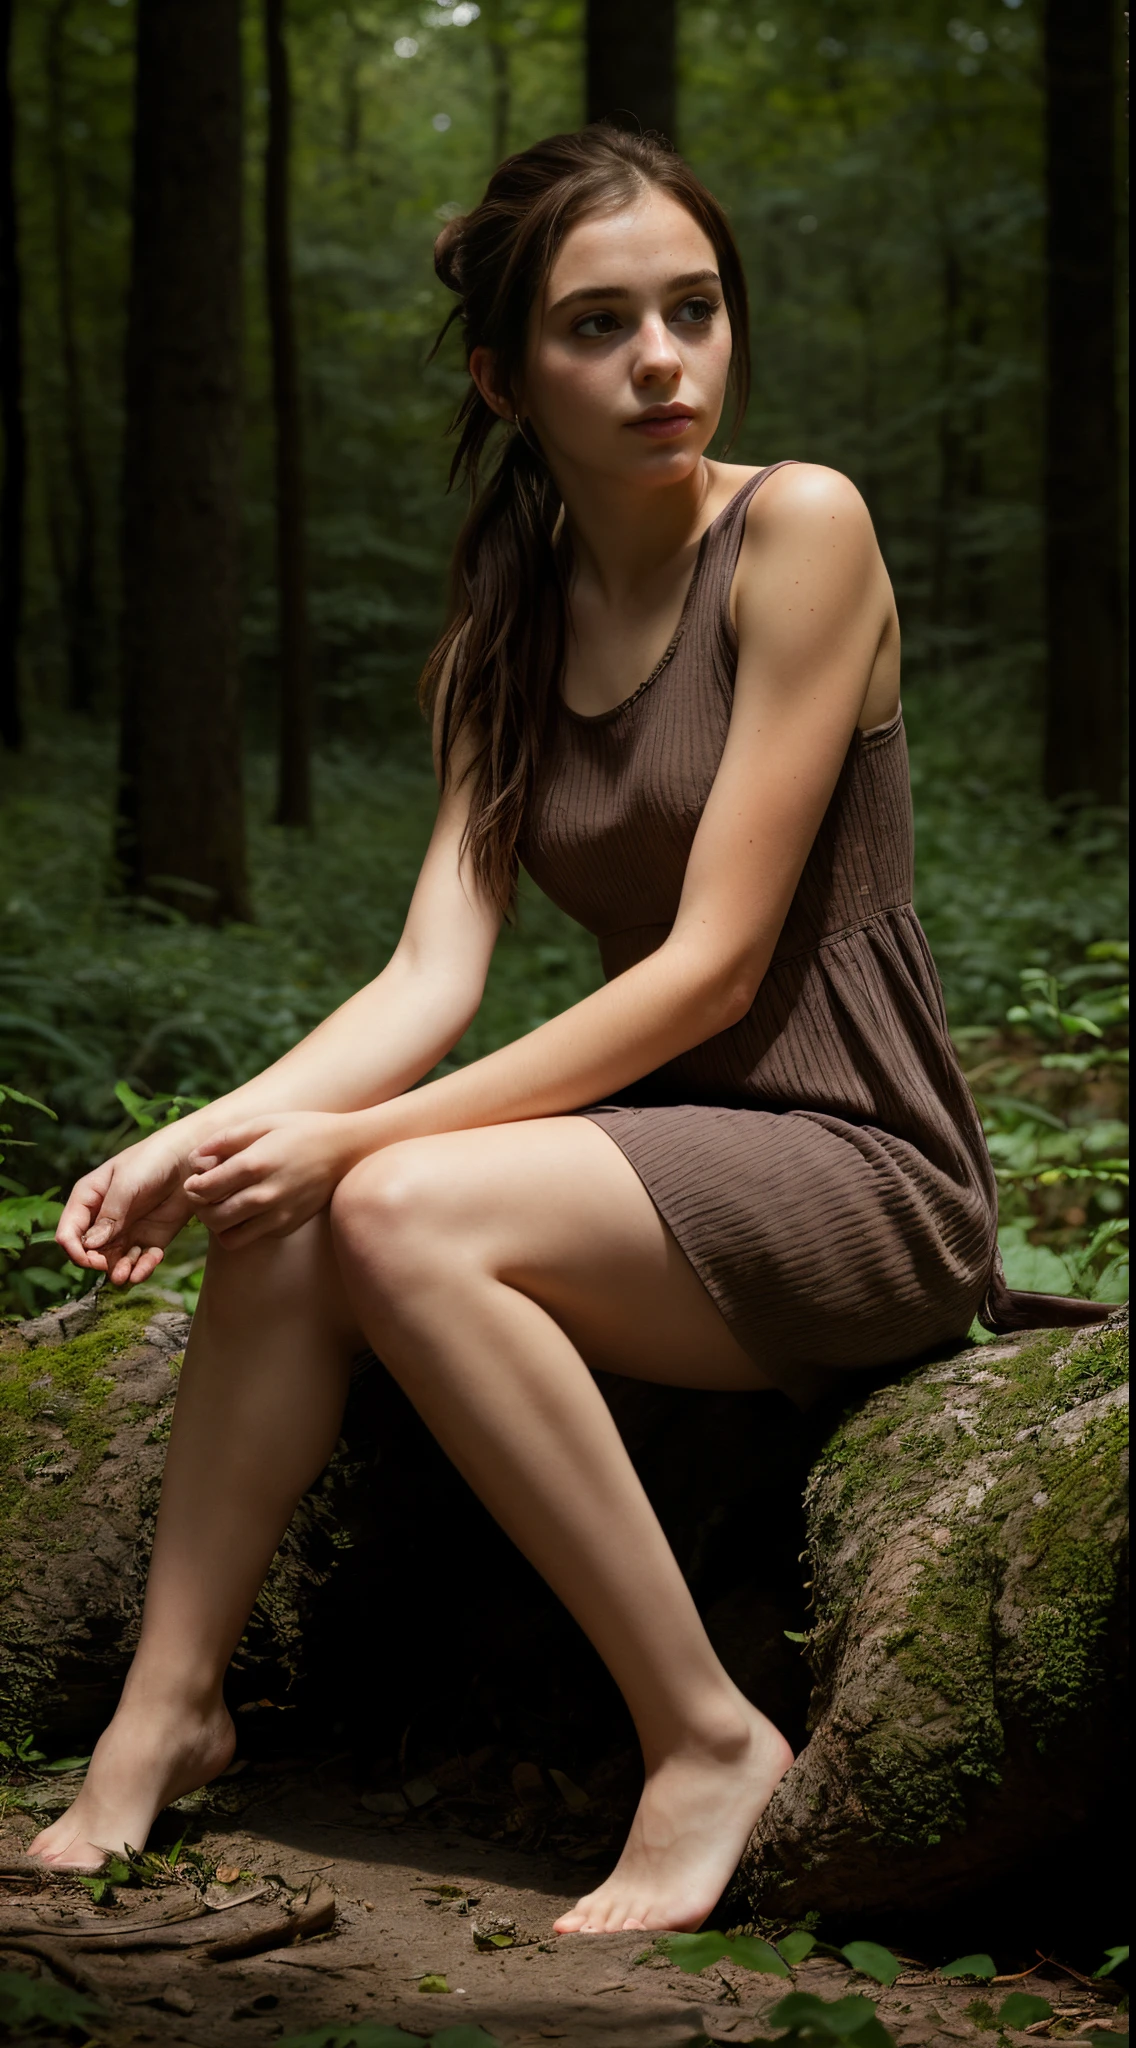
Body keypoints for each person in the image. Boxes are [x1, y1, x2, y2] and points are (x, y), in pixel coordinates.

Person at [29, 126, 1099, 1932]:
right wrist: (196, 1136)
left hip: (857, 1170)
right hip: (662, 1169)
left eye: (692, 310)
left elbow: (709, 973)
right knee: (286, 1197)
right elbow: (429, 978)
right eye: (599, 326)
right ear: (503, 372)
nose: (662, 360)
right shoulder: (502, 628)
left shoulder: (801, 532)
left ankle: (706, 1741)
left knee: (384, 1196)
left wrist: (367, 1142)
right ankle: (162, 1715)